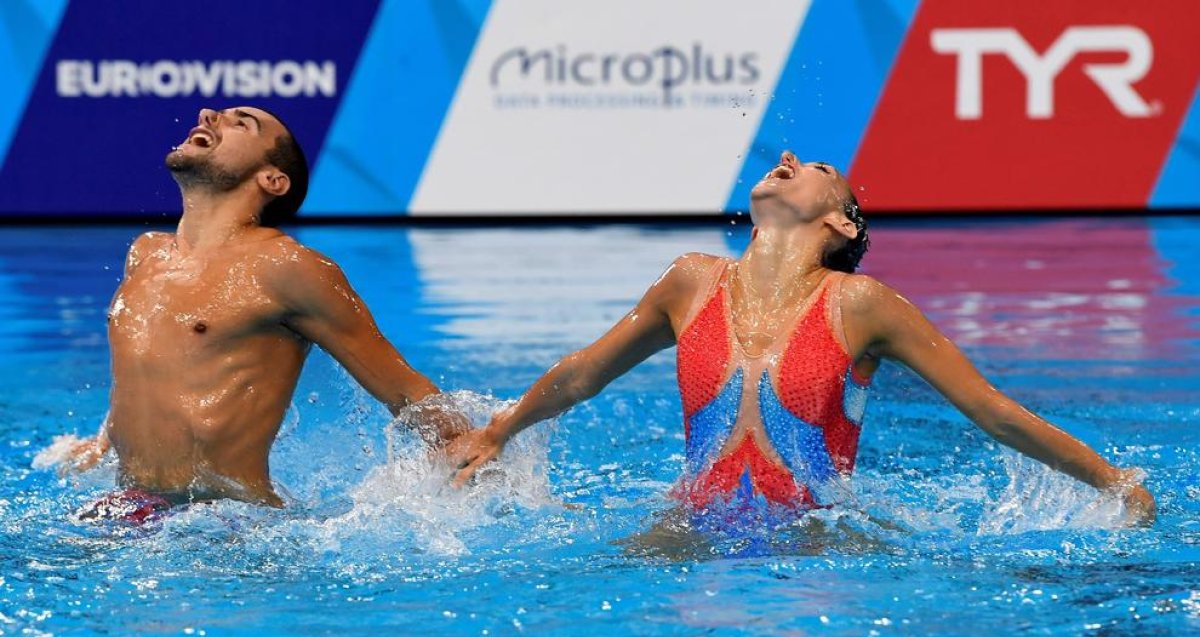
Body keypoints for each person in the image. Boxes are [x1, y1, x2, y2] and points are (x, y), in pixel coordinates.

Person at [446, 150, 1156, 526]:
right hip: (685, 531)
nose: (788, 155)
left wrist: (1113, 480)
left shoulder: (862, 304)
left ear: (843, 223)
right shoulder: (689, 282)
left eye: (819, 167)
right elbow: (583, 374)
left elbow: (990, 409)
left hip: (822, 546)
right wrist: (499, 431)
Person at [55, 106, 465, 517]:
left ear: (272, 180)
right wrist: (102, 441)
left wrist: (470, 446)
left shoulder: (287, 268)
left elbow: (403, 388)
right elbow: (153, 368)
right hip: (134, 508)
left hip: (227, 524)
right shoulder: (146, 253)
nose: (208, 115)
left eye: (241, 123)